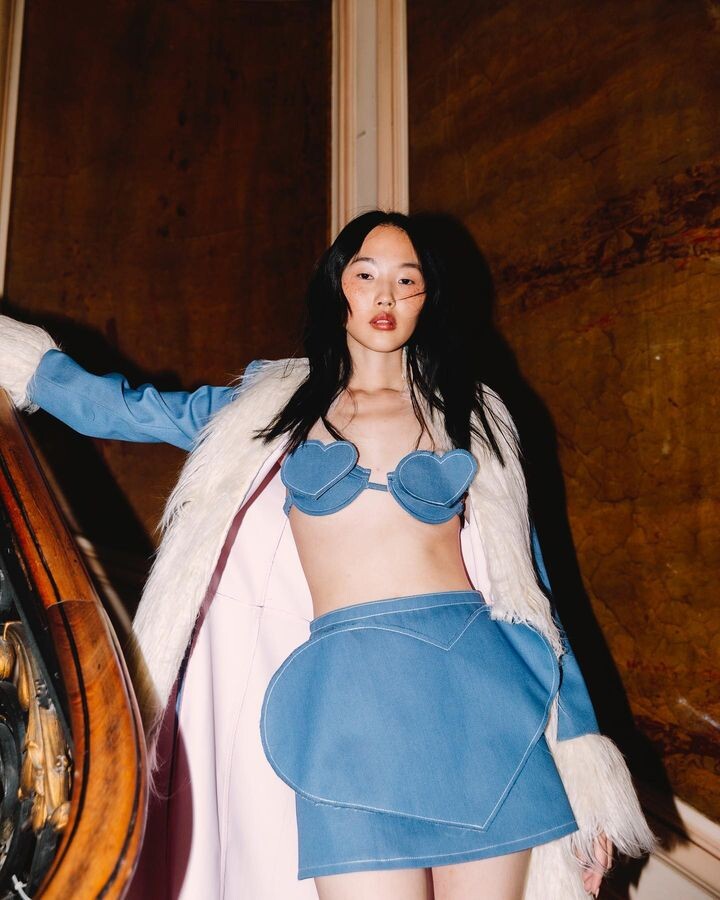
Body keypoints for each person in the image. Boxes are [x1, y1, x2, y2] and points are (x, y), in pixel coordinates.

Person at [0, 210, 655, 899]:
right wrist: (28, 367)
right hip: (346, 715)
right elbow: (132, 408)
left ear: (427, 297)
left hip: (479, 705)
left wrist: (586, 779)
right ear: (337, 286)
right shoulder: (269, 407)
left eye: (407, 280)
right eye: (367, 275)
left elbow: (532, 600)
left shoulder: (473, 415)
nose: (386, 295)